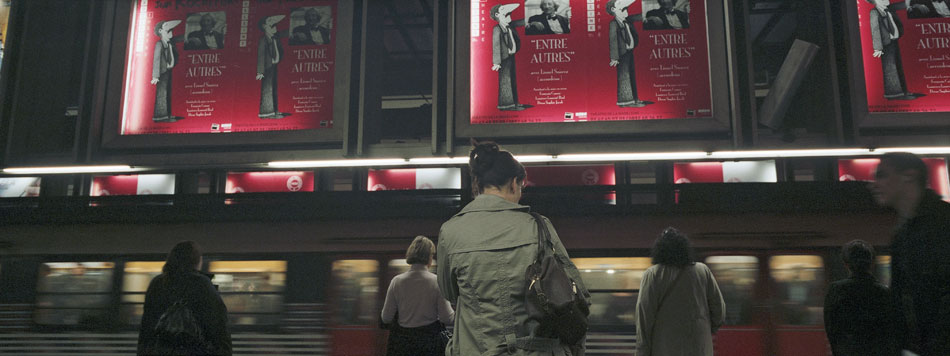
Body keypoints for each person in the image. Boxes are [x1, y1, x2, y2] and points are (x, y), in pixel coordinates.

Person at [437, 141, 590, 356]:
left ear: (478, 185)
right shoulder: (539, 227)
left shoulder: (450, 231)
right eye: (521, 187)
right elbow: (576, 293)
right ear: (514, 183)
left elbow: (449, 292)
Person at [869, 152, 950, 356]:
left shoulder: (942, 224)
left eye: (882, 175)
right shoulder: (902, 233)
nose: (874, 184)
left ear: (909, 176)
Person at [635, 227, 725, 356]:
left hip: (665, 348)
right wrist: (706, 327)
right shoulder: (702, 271)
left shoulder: (653, 275)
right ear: (685, 249)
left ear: (659, 251)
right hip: (699, 348)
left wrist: (642, 351)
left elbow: (644, 318)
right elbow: (719, 310)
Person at [137, 241, 231, 355]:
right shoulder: (202, 284)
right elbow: (218, 327)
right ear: (197, 262)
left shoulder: (157, 284)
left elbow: (146, 328)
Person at [823, 240, 901, 356]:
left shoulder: (836, 290)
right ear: (871, 263)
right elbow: (892, 331)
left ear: (846, 264)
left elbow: (831, 329)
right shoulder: (884, 293)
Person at [381, 236, 455, 356]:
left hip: (403, 345)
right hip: (429, 345)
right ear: (429, 257)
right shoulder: (436, 282)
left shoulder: (397, 281)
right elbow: (446, 318)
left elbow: (386, 318)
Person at [867, 0, 917, 100]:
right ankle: (894, 94)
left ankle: (903, 91)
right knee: (890, 68)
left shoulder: (889, 8)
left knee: (898, 66)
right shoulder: (874, 12)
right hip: (886, 44)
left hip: (893, 41)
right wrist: (877, 48)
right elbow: (875, 29)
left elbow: (903, 4)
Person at [491, 4, 533, 111]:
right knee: (506, 81)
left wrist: (534, 17)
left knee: (512, 79)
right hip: (504, 58)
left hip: (511, 57)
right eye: (504, 12)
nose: (508, 16)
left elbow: (522, 22)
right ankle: (506, 104)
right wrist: (496, 62)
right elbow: (496, 45)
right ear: (497, 15)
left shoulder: (510, 25)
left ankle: (514, 102)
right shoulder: (497, 29)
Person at [607, 0, 649, 108]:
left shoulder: (628, 20)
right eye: (622, 9)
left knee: (631, 75)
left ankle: (635, 99)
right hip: (621, 54)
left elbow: (641, 16)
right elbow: (613, 40)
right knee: (624, 76)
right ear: (613, 10)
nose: (625, 10)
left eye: (626, 9)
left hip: (629, 52)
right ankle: (625, 101)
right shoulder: (613, 23)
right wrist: (614, 57)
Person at [256, 15, 291, 119]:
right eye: (272, 26)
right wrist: (260, 71)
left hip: (273, 66)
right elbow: (261, 55)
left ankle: (274, 110)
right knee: (267, 89)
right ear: (264, 27)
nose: (274, 28)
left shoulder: (275, 37)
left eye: (275, 27)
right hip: (267, 67)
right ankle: (266, 112)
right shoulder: (263, 40)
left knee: (273, 88)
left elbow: (286, 32)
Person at [151, 20, 183, 123]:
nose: (171, 34)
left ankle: (167, 114)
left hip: (168, 70)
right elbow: (156, 60)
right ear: (161, 31)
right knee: (162, 93)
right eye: (168, 31)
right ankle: (160, 116)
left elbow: (181, 37)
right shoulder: (159, 44)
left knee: (168, 92)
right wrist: (155, 76)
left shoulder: (170, 42)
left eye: (171, 31)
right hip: (162, 72)